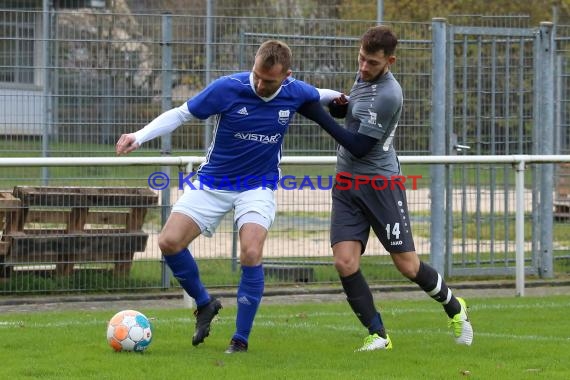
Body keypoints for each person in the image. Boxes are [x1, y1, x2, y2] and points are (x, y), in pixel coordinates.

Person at [115, 39, 370, 354]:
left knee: (251, 252)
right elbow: (180, 115)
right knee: (168, 242)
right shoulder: (228, 87)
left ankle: (240, 339)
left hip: (257, 186)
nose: (261, 84)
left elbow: (322, 95)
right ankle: (205, 303)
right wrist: (139, 136)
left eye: (270, 81)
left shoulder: (295, 91)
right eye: (257, 76)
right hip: (212, 182)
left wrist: (343, 98)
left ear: (286, 76)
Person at [324, 25, 473, 351]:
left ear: (390, 61)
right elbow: (356, 114)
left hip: (381, 185)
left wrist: (321, 117)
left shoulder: (391, 94)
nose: (364, 67)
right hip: (347, 184)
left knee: (407, 265)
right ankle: (378, 334)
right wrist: (341, 108)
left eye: (372, 63)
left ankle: (454, 307)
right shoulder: (362, 76)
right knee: (344, 261)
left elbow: (360, 145)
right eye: (361, 58)